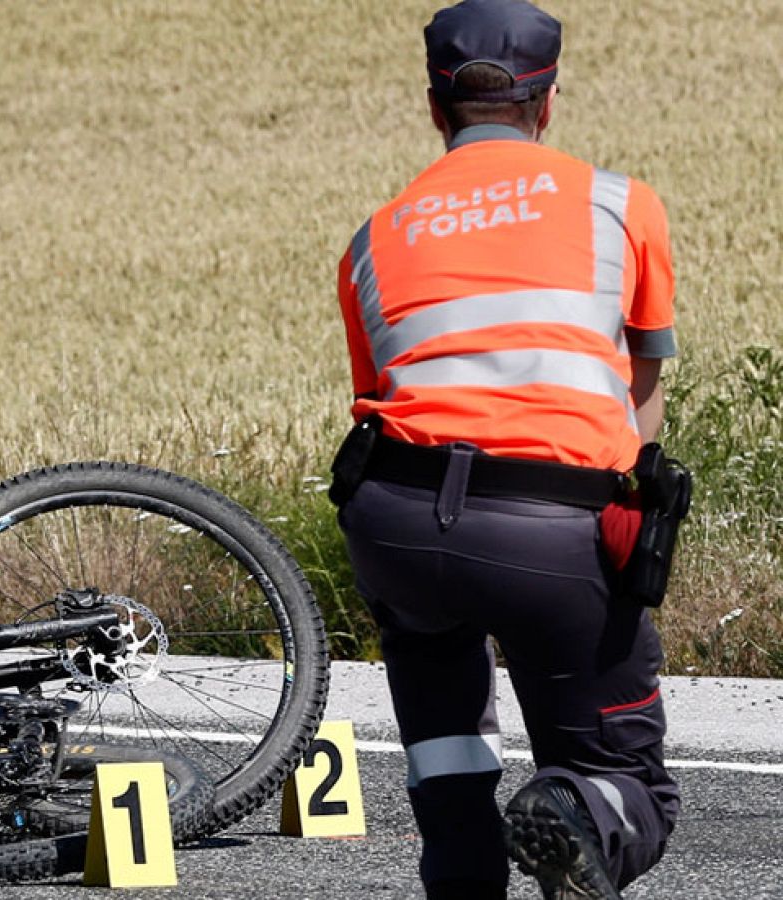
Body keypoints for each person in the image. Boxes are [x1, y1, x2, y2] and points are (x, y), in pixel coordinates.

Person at [328, 1, 680, 898]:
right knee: (623, 786)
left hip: (396, 518)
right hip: (548, 523)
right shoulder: (620, 204)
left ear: (434, 108)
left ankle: (466, 857)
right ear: (548, 101)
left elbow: (382, 394)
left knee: (450, 776)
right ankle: (575, 801)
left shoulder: (374, 237)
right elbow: (644, 394)